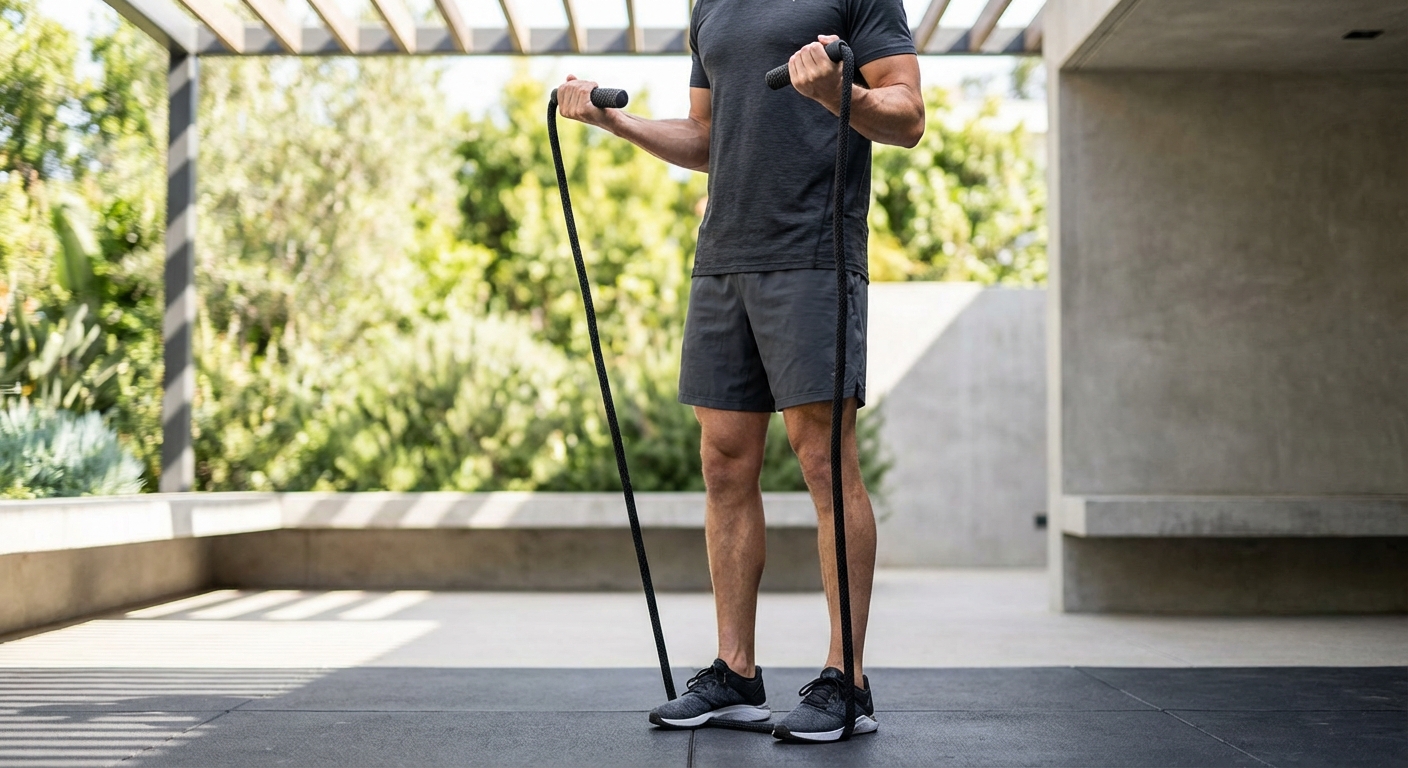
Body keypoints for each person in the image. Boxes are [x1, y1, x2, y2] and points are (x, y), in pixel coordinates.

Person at [554, 0, 923, 744]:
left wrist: (841, 97)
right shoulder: (710, 5)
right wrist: (615, 124)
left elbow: (908, 115)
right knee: (723, 464)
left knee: (822, 459)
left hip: (814, 251)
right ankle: (736, 673)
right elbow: (705, 137)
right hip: (723, 255)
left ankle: (847, 682)